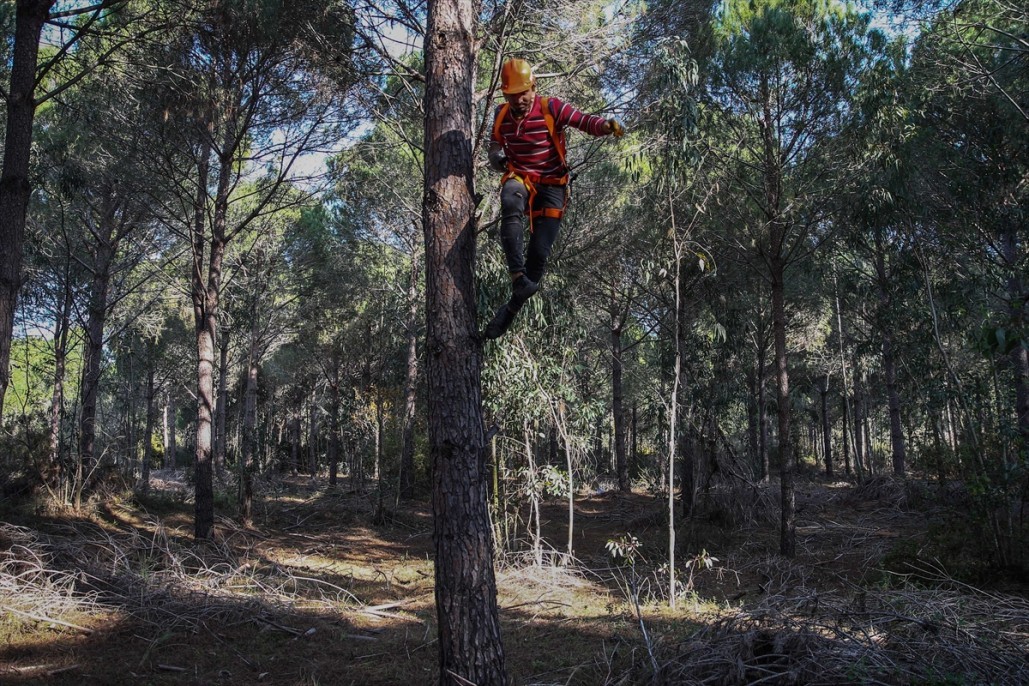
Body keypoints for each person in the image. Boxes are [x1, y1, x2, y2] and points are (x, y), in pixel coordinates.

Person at [482, 58, 624, 339]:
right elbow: (495, 142)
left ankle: (510, 309)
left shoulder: (550, 107)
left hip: (552, 187)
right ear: (505, 93)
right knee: (510, 200)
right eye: (512, 95)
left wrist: (605, 127)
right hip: (521, 178)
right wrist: (495, 156)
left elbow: (583, 121)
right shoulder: (501, 114)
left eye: (523, 93)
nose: (519, 100)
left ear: (533, 87)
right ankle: (515, 275)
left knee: (539, 255)